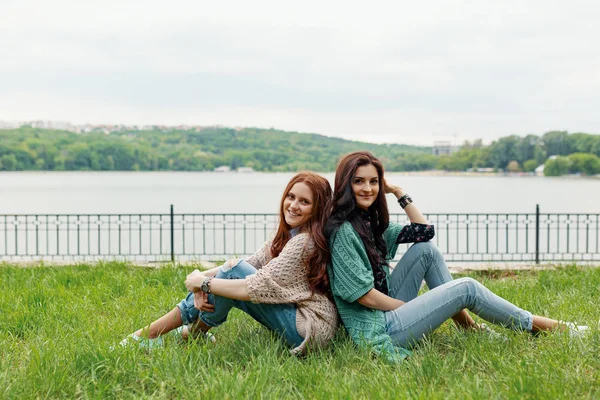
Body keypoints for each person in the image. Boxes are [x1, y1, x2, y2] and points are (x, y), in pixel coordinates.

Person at [325, 151, 589, 363]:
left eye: (374, 182)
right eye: (359, 181)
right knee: (466, 287)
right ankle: (547, 327)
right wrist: (417, 309)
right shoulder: (343, 230)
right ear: (345, 184)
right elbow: (364, 296)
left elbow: (424, 232)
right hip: (378, 330)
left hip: (386, 315)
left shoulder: (369, 223)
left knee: (426, 251)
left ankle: (469, 328)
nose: (368, 188)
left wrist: (398, 192)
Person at [121, 171, 339, 355]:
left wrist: (204, 283)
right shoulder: (290, 235)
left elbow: (253, 283)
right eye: (290, 196)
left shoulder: (304, 242)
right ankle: (189, 335)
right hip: (296, 317)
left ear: (317, 208)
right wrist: (200, 278)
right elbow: (250, 262)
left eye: (304, 202)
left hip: (310, 330)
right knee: (231, 272)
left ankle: (149, 334)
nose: (293, 205)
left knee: (233, 273)